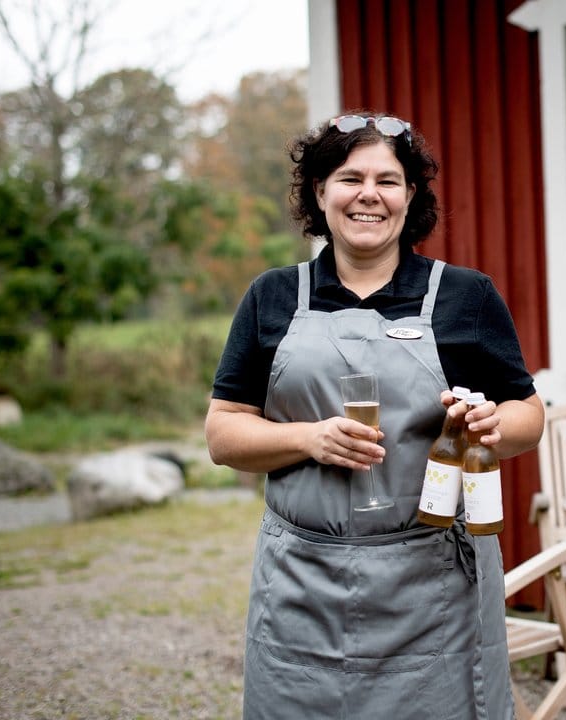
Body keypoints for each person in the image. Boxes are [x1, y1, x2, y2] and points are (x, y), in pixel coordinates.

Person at [205, 111, 544, 719]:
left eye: (388, 180)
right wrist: (309, 438)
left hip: (434, 584)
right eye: (349, 177)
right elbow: (224, 433)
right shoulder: (272, 297)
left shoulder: (467, 296)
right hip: (302, 584)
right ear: (319, 192)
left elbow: (528, 414)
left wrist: (494, 425)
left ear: (410, 196)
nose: (368, 194)